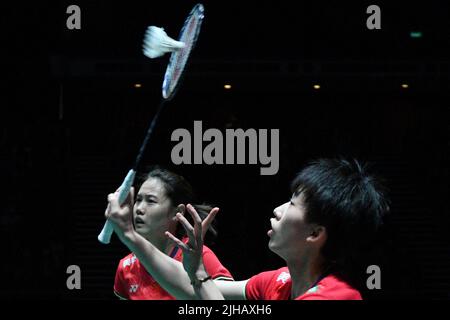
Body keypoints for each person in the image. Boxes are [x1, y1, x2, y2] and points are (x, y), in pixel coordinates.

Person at [106, 158, 389, 300]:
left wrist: (129, 235)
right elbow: (199, 293)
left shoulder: (334, 297)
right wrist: (199, 275)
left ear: (315, 233)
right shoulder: (278, 283)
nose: (277, 210)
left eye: (291, 204)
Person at [110, 167, 233, 300]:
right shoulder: (126, 267)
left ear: (177, 212)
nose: (139, 209)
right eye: (138, 200)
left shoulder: (198, 258)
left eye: (151, 201)